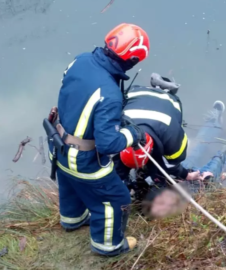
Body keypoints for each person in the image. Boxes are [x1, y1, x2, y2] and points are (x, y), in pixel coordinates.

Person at [46, 23, 150, 256]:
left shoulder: (80, 60)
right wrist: (132, 134)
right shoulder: (110, 94)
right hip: (82, 158)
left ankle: (72, 219)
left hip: (57, 143)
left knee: (69, 182)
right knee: (116, 197)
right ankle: (108, 246)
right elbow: (107, 144)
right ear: (132, 60)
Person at [113, 73, 226, 217]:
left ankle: (220, 135)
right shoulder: (115, 136)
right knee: (197, 163)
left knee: (197, 149)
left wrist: (186, 175)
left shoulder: (170, 133)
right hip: (145, 136)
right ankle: (224, 146)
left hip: (162, 138)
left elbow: (173, 162)